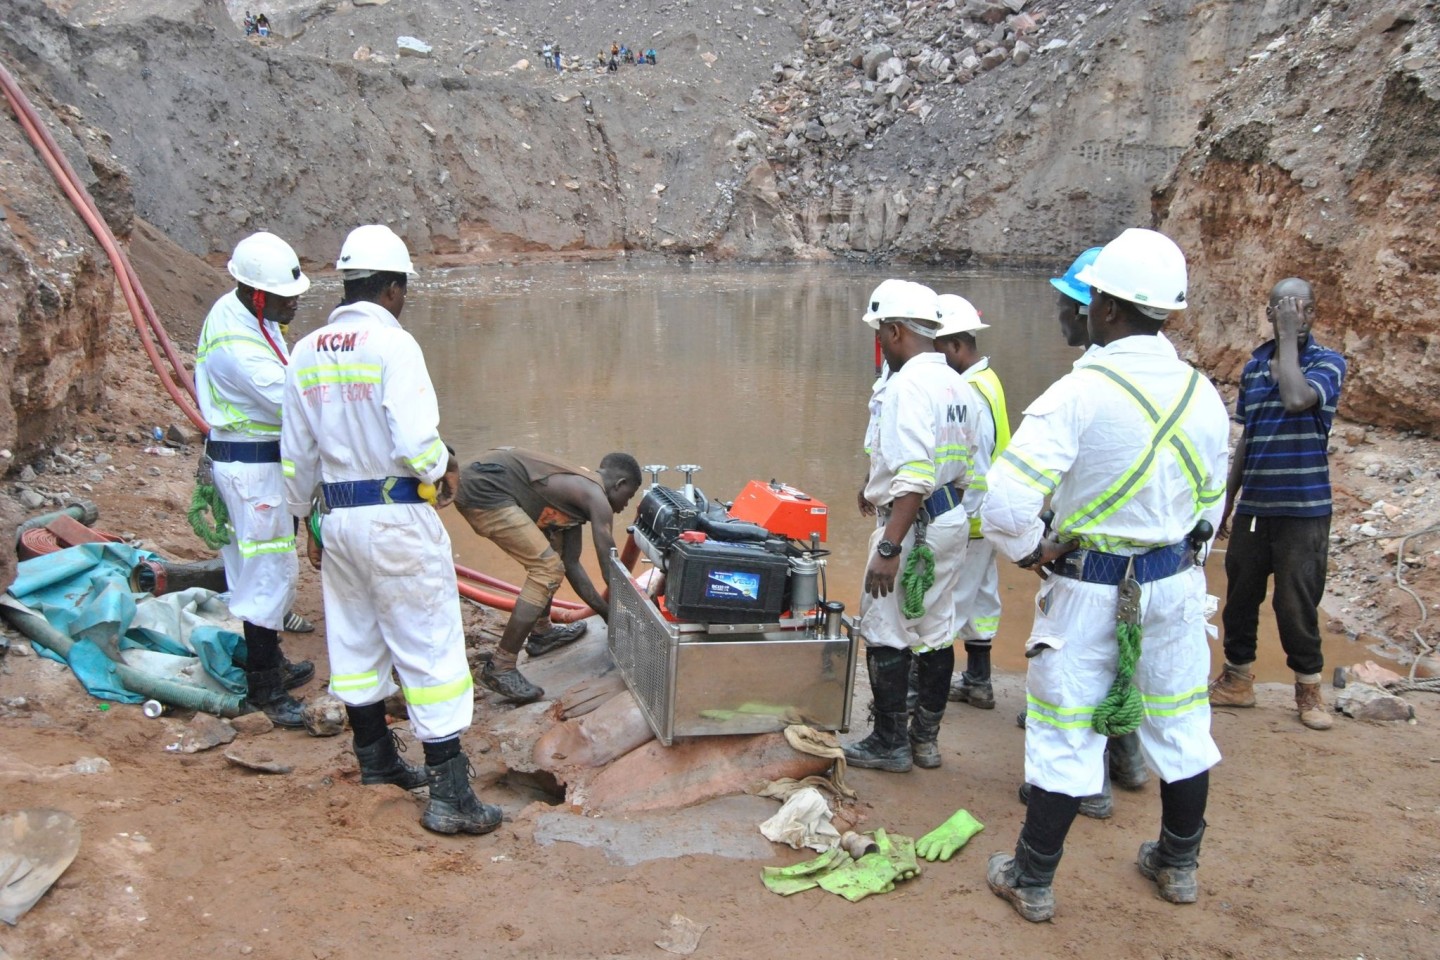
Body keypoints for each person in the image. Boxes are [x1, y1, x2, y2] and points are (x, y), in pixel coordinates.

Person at [982, 228, 1229, 921]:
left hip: (1090, 588)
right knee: (1182, 728)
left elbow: (1002, 503)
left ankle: (1032, 878)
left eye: (1092, 299)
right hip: (1175, 585)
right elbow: (1211, 500)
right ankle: (1177, 864)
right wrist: (1182, 556)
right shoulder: (1202, 393)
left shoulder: (1079, 392)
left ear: (1112, 309)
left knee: (1064, 732)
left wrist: (1034, 550)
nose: (1086, 310)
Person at [282, 224, 500, 836]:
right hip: (395, 514)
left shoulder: (305, 351)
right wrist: (442, 468)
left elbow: (296, 458)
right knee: (430, 647)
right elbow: (415, 444)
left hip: (339, 517)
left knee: (355, 641)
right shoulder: (393, 346)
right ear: (394, 288)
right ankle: (451, 795)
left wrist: (308, 523)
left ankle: (376, 761)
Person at [844, 279, 983, 773]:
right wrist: (875, 482)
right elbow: (964, 465)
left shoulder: (905, 386)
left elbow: (916, 474)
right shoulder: (958, 385)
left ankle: (889, 742)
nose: (879, 341)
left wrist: (889, 546)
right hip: (948, 520)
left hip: (911, 524)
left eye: (881, 331)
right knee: (937, 630)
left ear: (896, 330)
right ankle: (925, 740)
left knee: (884, 631)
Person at [1209, 278, 1346, 730]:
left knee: (1296, 602)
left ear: (1312, 314)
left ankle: (1308, 691)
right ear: (1268, 313)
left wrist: (1287, 340)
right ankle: (1238, 680)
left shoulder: (1328, 364)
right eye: (1284, 310)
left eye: (1302, 310)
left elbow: (1295, 398)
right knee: (1241, 598)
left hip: (1304, 509)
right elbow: (1248, 440)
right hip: (1257, 506)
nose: (1294, 317)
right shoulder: (1252, 369)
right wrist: (1226, 505)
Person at [195, 232, 313, 727]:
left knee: (255, 568)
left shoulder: (247, 314)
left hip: (252, 462)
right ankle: (266, 684)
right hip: (252, 467)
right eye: (288, 298)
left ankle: (269, 662)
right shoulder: (239, 346)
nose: (295, 305)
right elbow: (296, 403)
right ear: (259, 294)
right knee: (268, 571)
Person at [455, 448, 642, 704]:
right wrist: (630, 619)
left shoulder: (577, 496)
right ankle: (501, 666)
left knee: (555, 561)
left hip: (482, 480)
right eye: (628, 496)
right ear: (619, 484)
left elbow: (572, 565)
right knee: (545, 568)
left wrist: (608, 615)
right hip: (483, 490)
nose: (626, 505)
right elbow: (611, 570)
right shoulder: (596, 497)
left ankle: (542, 634)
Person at [932, 294, 1008, 712]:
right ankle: (979, 681)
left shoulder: (969, 393)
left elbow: (975, 463)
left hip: (972, 517)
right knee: (981, 599)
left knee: (948, 604)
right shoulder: (988, 381)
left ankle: (924, 694)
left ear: (957, 347)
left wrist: (958, 516)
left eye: (938, 350)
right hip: (989, 517)